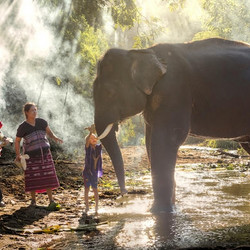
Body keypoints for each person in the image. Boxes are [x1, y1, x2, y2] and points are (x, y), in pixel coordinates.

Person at [15, 102, 63, 209]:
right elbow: (17, 141)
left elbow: (49, 133)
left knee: (47, 177)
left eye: (36, 109)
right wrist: (18, 154)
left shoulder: (41, 122)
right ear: (27, 112)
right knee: (33, 178)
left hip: (45, 155)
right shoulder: (23, 127)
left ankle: (51, 200)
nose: (35, 112)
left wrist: (55, 138)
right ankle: (33, 201)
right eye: (32, 110)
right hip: (31, 157)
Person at [83, 126, 103, 215]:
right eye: (91, 138)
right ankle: (87, 206)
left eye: (95, 138)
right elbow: (87, 140)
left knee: (95, 189)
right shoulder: (88, 148)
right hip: (87, 172)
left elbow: (103, 139)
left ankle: (96, 207)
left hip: (94, 172)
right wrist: (90, 133)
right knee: (87, 189)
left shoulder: (98, 147)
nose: (93, 139)